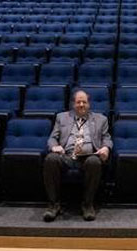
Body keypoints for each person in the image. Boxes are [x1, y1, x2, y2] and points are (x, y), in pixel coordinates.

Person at [42, 89, 112, 222]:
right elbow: (52, 138)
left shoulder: (101, 119)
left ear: (89, 104)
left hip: (88, 156)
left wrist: (106, 148)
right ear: (73, 104)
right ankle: (53, 205)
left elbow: (106, 138)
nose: (81, 105)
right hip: (66, 155)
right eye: (78, 102)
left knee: (94, 162)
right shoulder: (61, 117)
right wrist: (54, 146)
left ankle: (87, 204)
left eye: (84, 102)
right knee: (51, 158)